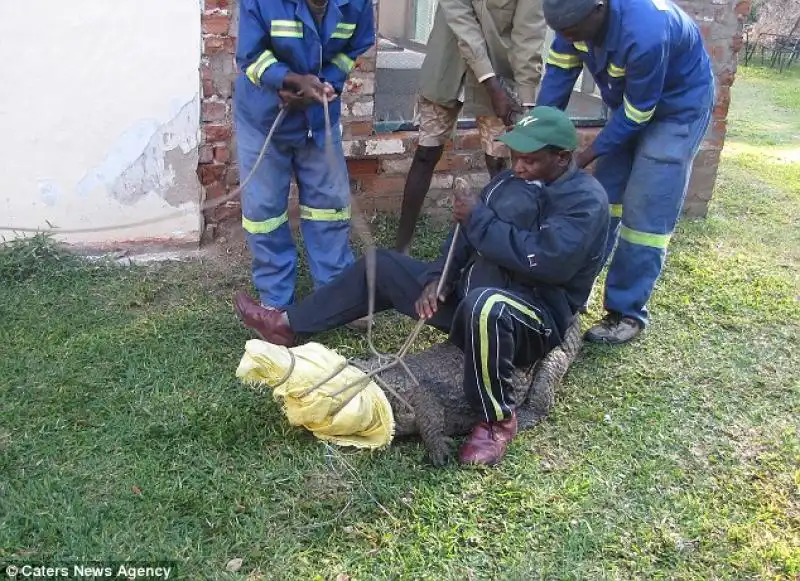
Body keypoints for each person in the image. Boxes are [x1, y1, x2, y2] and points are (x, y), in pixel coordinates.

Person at [234, 107, 609, 467]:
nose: (519, 167)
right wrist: (437, 280)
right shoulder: (512, 181)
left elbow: (544, 261)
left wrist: (479, 222)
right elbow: (465, 233)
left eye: (531, 160)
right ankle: (288, 324)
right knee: (382, 266)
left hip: (530, 319)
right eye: (516, 157)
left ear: (562, 158)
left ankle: (497, 422)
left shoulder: (586, 203)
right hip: (473, 300)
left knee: (487, 305)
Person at [535, 0, 715, 344]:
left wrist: (583, 156)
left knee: (645, 210)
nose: (566, 37)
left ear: (599, 9)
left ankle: (625, 312)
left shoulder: (646, 32)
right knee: (602, 199)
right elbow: (558, 78)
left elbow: (638, 114)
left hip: (677, 111)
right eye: (560, 32)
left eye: (571, 32)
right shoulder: (570, 22)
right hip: (627, 104)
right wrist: (541, 138)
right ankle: (575, 289)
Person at [234, 0, 375, 311]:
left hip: (318, 116)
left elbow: (352, 49)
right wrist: (287, 82)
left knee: (329, 206)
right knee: (264, 213)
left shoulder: (357, 3)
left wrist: (329, 83)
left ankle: (336, 297)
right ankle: (276, 301)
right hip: (264, 116)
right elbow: (251, 56)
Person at [394, 0, 547, 254]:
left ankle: (499, 247)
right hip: (448, 65)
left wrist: (526, 103)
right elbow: (461, 19)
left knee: (499, 165)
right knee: (425, 154)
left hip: (500, 70)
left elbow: (528, 36)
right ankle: (400, 250)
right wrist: (492, 85)